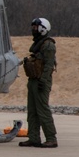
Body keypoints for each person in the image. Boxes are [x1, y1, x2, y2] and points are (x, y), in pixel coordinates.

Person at [20, 17, 58, 149]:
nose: (33, 30)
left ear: (43, 28)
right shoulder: (38, 44)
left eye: (35, 27)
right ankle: (34, 138)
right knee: (32, 111)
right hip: (33, 80)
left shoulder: (48, 45)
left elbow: (48, 65)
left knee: (42, 111)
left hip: (41, 81)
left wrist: (43, 80)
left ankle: (51, 138)